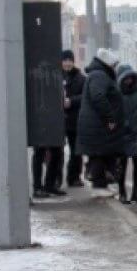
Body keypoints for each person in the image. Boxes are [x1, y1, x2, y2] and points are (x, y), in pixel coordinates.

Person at [77, 48, 125, 189]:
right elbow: (98, 97)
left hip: (97, 126)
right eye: (114, 64)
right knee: (99, 154)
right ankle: (99, 187)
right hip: (98, 126)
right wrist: (110, 119)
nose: (115, 67)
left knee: (100, 154)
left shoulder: (98, 75)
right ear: (107, 63)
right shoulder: (99, 75)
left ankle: (101, 185)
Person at [115, 62, 137, 205]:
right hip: (121, 134)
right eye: (126, 78)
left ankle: (136, 192)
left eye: (131, 78)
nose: (129, 80)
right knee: (122, 164)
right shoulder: (115, 93)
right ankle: (122, 192)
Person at [60, 51, 86, 188]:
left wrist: (72, 101)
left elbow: (85, 97)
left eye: (70, 60)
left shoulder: (81, 78)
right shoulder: (55, 76)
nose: (67, 63)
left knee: (76, 151)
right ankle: (56, 180)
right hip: (58, 121)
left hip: (75, 120)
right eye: (65, 60)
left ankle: (74, 177)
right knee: (56, 152)